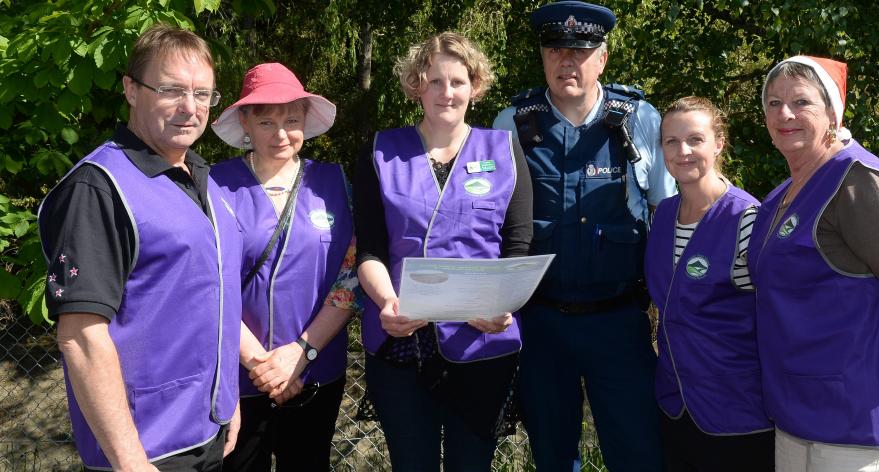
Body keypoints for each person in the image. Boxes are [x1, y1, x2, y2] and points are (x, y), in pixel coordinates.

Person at [38, 25, 241, 471]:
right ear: (131, 90)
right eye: (171, 90)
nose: (191, 109)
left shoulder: (204, 181)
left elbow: (217, 296)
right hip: (147, 449)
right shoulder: (99, 188)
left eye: (203, 94)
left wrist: (228, 400)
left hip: (209, 431)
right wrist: (131, 462)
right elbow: (80, 336)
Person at [750, 55, 879, 471]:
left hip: (858, 425)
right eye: (773, 103)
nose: (784, 114)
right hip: (796, 417)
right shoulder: (778, 198)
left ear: (832, 112)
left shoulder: (859, 183)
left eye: (800, 102)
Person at [492, 1, 676, 470]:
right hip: (540, 324)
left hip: (620, 322)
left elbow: (668, 212)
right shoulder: (510, 123)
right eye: (556, 50)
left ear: (603, 58)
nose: (567, 61)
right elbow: (488, 223)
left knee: (638, 452)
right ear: (543, 56)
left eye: (581, 50)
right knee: (553, 455)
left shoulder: (640, 118)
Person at [353, 31, 533, 471]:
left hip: (481, 342)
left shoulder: (504, 149)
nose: (446, 92)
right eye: (435, 81)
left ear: (476, 86)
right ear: (417, 84)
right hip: (402, 342)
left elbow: (518, 242)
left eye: (458, 81)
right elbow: (370, 250)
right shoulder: (381, 151)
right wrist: (386, 302)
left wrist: (502, 303)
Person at [209, 62, 359, 471]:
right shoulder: (214, 186)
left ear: (306, 121)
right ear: (244, 122)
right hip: (239, 378)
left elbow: (349, 278)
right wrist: (262, 365)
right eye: (267, 121)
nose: (280, 134)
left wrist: (301, 352)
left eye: (291, 120)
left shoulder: (335, 184)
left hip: (316, 369)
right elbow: (207, 284)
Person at [645, 96, 773, 471]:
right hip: (676, 407)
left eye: (695, 140)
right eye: (671, 141)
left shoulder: (747, 219)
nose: (682, 151)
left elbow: (773, 320)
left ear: (718, 143)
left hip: (737, 413)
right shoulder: (663, 215)